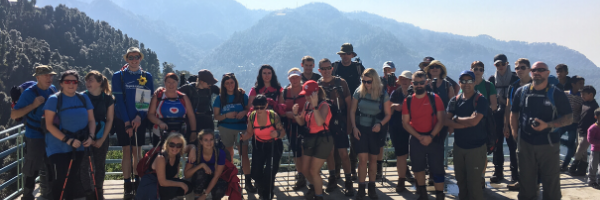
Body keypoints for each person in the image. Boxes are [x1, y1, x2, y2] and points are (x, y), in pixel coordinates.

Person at [510, 61, 573, 200]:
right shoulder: (521, 92)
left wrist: (547, 125)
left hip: (548, 144)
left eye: (541, 70)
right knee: (526, 181)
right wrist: (515, 132)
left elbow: (569, 118)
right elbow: (514, 113)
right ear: (531, 72)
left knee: (551, 182)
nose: (537, 72)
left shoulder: (556, 94)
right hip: (525, 143)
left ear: (547, 73)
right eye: (534, 70)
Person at [43, 70, 96, 200]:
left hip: (78, 145)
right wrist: (68, 140)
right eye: (67, 81)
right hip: (57, 147)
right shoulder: (54, 100)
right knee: (60, 179)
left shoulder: (83, 98)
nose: (71, 84)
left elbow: (91, 120)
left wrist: (91, 137)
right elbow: (49, 125)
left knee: (72, 178)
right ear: (61, 83)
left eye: (74, 82)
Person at [112, 47, 155, 198]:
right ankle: (126, 184)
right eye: (131, 57)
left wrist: (139, 117)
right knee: (126, 152)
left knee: (137, 152)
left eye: (137, 57)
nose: (134, 59)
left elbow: (146, 99)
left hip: (139, 120)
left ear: (140, 58)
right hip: (122, 119)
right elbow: (119, 102)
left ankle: (137, 181)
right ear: (127, 59)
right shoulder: (118, 76)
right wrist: (127, 122)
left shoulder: (146, 76)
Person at [11, 65, 57, 200]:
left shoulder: (52, 89)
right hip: (34, 135)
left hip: (50, 134)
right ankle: (27, 196)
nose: (49, 78)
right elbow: (14, 115)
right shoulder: (29, 93)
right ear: (37, 78)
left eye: (51, 75)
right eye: (46, 75)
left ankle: (49, 195)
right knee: (32, 168)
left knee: (50, 165)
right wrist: (33, 105)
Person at [402, 71, 446, 200]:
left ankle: (440, 195)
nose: (419, 85)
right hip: (416, 138)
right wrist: (419, 137)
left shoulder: (435, 99)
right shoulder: (408, 101)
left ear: (426, 82)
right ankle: (423, 195)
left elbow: (441, 120)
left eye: (422, 83)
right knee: (417, 168)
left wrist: (430, 136)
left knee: (437, 169)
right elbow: (405, 123)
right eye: (416, 83)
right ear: (412, 84)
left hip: (434, 137)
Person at [350, 68, 392, 200]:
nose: (366, 84)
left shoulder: (382, 93)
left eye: (369, 82)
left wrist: (380, 124)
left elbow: (388, 114)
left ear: (375, 81)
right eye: (364, 81)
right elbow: (352, 111)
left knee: (373, 160)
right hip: (361, 128)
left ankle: (372, 188)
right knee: (362, 160)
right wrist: (354, 128)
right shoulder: (359, 91)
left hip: (376, 130)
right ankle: (361, 189)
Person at [446, 71, 489, 200]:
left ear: (475, 82)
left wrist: (456, 119)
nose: (466, 84)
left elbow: (475, 121)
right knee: (461, 183)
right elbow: (446, 122)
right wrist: (466, 123)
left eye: (469, 81)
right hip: (459, 148)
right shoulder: (455, 100)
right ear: (459, 83)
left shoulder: (480, 100)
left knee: (474, 185)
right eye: (463, 81)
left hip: (476, 149)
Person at [317, 58, 354, 196]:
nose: (326, 71)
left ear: (332, 68)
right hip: (325, 123)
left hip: (341, 122)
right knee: (329, 152)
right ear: (319, 70)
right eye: (323, 69)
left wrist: (350, 124)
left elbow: (350, 105)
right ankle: (332, 178)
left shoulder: (341, 83)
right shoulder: (317, 85)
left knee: (343, 153)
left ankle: (348, 181)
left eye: (328, 68)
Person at [292, 80, 333, 200]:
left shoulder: (324, 105)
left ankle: (319, 195)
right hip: (310, 138)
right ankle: (316, 187)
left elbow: (320, 122)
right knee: (304, 169)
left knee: (314, 170)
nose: (306, 97)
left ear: (315, 93)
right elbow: (302, 122)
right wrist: (295, 114)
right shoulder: (306, 105)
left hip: (323, 139)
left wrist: (315, 106)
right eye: (305, 94)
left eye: (308, 94)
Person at [331, 43, 365, 179]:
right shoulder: (335, 67)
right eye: (343, 54)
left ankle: (352, 168)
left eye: (347, 54)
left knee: (355, 139)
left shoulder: (358, 68)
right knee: (337, 140)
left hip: (355, 108)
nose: (345, 56)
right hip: (339, 109)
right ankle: (338, 170)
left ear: (352, 55)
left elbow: (366, 83)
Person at [244, 94, 286, 200]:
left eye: (261, 107)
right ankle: (262, 188)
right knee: (255, 172)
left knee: (269, 173)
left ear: (266, 105)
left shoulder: (273, 115)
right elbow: (249, 133)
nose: (259, 110)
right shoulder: (252, 116)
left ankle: (267, 195)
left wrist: (277, 133)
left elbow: (282, 132)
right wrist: (243, 137)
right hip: (259, 145)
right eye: (256, 107)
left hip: (274, 145)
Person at [81, 70, 115, 199]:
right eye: (87, 80)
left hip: (101, 136)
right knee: (84, 166)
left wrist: (102, 139)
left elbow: (110, 119)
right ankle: (89, 193)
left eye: (91, 80)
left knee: (99, 166)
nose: (87, 83)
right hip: (84, 136)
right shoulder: (81, 97)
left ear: (100, 83)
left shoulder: (108, 99)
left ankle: (99, 192)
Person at [488, 53, 519, 183]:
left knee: (513, 145)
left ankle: (515, 174)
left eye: (502, 64)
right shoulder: (491, 80)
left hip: (512, 116)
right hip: (497, 116)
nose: (500, 66)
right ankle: (498, 172)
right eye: (497, 64)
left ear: (507, 64)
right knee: (497, 145)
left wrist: (503, 100)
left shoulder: (515, 79)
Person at [503, 58, 532, 190]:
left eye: (523, 67)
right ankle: (521, 181)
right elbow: (508, 107)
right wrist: (506, 125)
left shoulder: (537, 85)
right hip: (517, 125)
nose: (519, 70)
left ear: (529, 69)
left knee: (532, 155)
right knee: (519, 154)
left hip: (533, 126)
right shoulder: (513, 86)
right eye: (517, 68)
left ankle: (533, 183)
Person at [136, 133, 193, 200]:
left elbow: (174, 177)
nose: (175, 148)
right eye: (172, 144)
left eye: (178, 145)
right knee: (176, 187)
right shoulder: (161, 157)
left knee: (189, 186)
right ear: (167, 144)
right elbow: (162, 182)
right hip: (152, 186)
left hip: (163, 185)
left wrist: (193, 148)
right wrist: (181, 184)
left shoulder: (177, 155)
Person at [147, 73, 197, 146]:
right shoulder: (158, 96)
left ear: (177, 83)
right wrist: (160, 122)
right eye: (168, 82)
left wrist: (193, 131)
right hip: (160, 133)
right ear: (164, 83)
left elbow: (191, 115)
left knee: (176, 155)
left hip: (180, 133)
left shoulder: (183, 97)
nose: (171, 85)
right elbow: (150, 115)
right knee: (160, 156)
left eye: (173, 82)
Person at [280, 68, 309, 190]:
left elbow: (311, 105)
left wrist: (300, 114)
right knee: (296, 149)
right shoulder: (285, 92)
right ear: (289, 78)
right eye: (292, 77)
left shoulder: (306, 90)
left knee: (306, 149)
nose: (295, 79)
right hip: (290, 124)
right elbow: (281, 109)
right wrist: (288, 114)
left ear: (300, 77)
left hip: (305, 124)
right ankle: (301, 174)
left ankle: (306, 175)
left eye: (296, 77)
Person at [469, 61, 497, 187]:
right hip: (469, 123)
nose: (478, 71)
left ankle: (481, 176)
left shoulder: (488, 85)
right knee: (469, 151)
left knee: (482, 152)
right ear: (471, 70)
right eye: (475, 69)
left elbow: (494, 105)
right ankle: (472, 176)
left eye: (480, 69)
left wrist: (480, 113)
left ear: (483, 71)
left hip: (484, 123)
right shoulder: (467, 84)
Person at [213, 73, 249, 164]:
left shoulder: (242, 96)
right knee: (228, 154)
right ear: (223, 85)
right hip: (225, 128)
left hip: (241, 128)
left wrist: (244, 112)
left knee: (243, 154)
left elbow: (249, 109)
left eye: (232, 82)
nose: (230, 85)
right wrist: (226, 115)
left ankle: (247, 176)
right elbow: (216, 116)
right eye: (227, 83)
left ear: (235, 83)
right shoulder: (219, 98)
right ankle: (231, 176)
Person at [184, 130, 230, 200]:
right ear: (200, 141)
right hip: (198, 181)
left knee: (221, 186)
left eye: (211, 139)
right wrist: (201, 165)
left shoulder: (220, 153)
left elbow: (216, 176)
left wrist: (205, 195)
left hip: (213, 179)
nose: (209, 142)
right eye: (206, 140)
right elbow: (187, 175)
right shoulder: (195, 152)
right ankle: (197, 197)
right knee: (201, 172)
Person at [178, 69, 220, 143]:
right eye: (209, 83)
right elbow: (174, 94)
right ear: (201, 81)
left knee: (208, 145)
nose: (210, 85)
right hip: (192, 123)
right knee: (193, 145)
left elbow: (225, 92)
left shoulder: (211, 88)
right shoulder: (188, 88)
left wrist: (239, 91)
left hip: (207, 121)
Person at [389, 70, 413, 193]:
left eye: (406, 79)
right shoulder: (395, 93)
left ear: (410, 81)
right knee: (401, 155)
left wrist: (398, 107)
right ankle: (401, 180)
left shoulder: (415, 93)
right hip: (397, 128)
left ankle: (418, 183)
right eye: (402, 79)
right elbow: (390, 108)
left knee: (416, 155)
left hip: (413, 128)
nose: (404, 81)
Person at [569, 85, 598, 176]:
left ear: (591, 94)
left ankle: (573, 166)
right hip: (580, 129)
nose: (582, 96)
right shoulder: (584, 103)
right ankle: (581, 170)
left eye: (584, 94)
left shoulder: (595, 107)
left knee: (579, 150)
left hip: (588, 132)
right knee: (583, 152)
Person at [558, 76, 585, 171]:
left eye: (583, 83)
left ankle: (564, 165)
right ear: (573, 84)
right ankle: (570, 145)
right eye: (580, 83)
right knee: (553, 136)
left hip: (574, 123)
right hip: (563, 122)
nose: (582, 85)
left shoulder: (582, 97)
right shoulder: (564, 94)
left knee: (570, 144)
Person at [587, 108, 600, 189]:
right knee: (593, 166)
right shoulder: (592, 128)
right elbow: (590, 140)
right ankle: (591, 181)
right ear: (596, 117)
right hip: (595, 150)